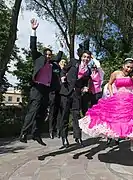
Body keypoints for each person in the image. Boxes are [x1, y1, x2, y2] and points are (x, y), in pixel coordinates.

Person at [19, 18, 63, 146]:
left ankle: (36, 134)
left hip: (46, 90)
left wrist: (61, 47)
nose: (49, 56)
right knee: (34, 110)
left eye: (50, 55)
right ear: (44, 55)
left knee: (42, 112)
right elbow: (33, 47)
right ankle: (23, 133)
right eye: (47, 55)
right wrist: (34, 31)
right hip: (37, 88)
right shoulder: (38, 58)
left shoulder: (52, 64)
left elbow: (59, 57)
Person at [59, 50, 92, 149]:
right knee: (64, 115)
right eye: (84, 57)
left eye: (88, 58)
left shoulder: (88, 70)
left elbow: (85, 82)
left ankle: (78, 137)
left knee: (76, 115)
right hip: (66, 92)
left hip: (76, 95)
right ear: (81, 57)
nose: (86, 59)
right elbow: (63, 70)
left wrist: (85, 87)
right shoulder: (73, 62)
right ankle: (64, 137)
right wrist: (62, 77)